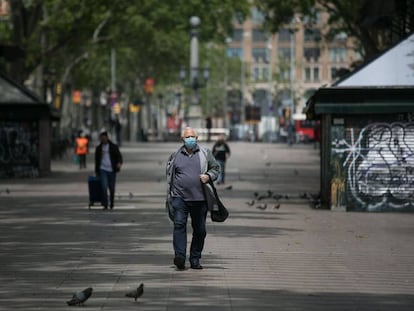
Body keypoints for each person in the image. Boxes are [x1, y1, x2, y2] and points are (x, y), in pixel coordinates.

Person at [166, 127, 220, 270]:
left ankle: (195, 258)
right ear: (182, 139)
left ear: (197, 138)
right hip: (179, 197)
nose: (190, 139)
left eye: (192, 137)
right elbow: (169, 176)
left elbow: (216, 169)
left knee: (200, 230)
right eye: (187, 137)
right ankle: (180, 257)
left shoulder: (205, 153)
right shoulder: (175, 155)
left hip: (200, 199)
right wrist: (170, 196)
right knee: (179, 225)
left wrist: (209, 176)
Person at [94, 131, 123, 210]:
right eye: (101, 138)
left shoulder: (113, 147)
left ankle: (112, 203)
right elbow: (96, 161)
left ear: (107, 138)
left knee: (112, 188)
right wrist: (97, 171)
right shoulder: (99, 148)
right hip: (102, 169)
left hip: (111, 170)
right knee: (104, 187)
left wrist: (119, 163)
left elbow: (119, 156)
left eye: (104, 138)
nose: (103, 140)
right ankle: (105, 204)